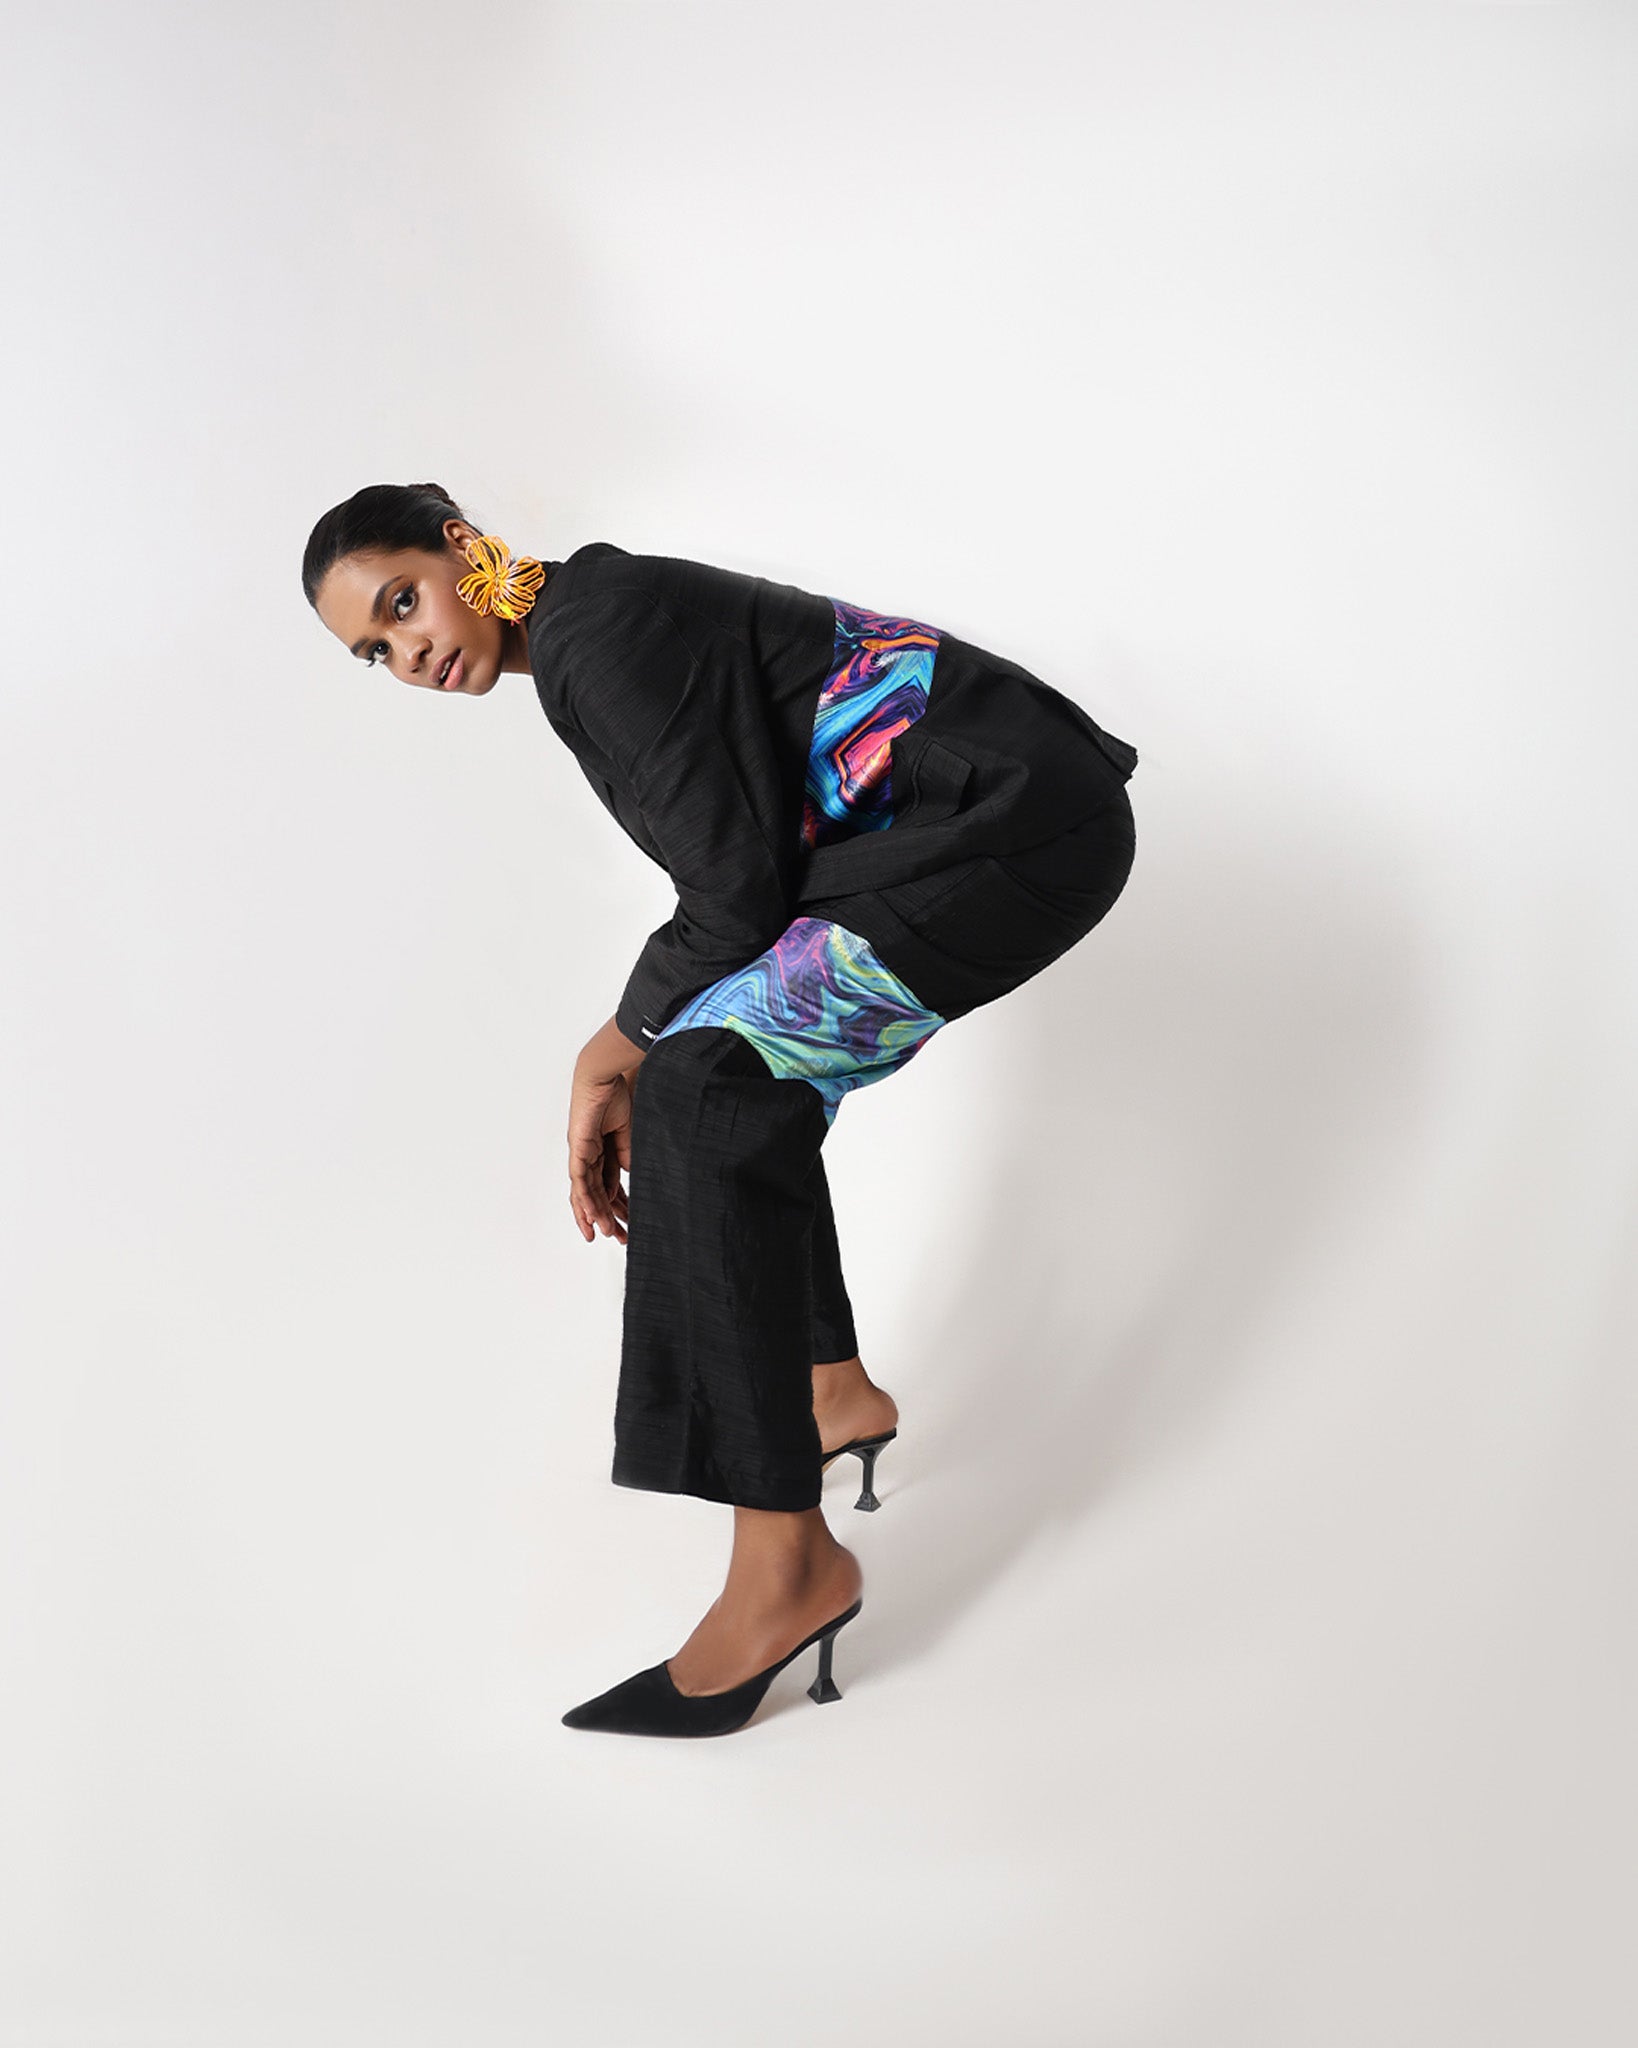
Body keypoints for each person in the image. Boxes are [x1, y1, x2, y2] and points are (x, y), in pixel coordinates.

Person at [302, 481, 1138, 1738]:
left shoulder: (595, 630)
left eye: (402, 601)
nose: (408, 651)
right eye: (377, 649)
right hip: (956, 824)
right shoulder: (585, 627)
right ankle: (827, 1385)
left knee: (703, 1086)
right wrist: (640, 1046)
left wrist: (610, 1050)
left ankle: (787, 1566)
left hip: (1009, 827)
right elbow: (747, 868)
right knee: (711, 1072)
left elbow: (736, 891)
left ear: (461, 544)